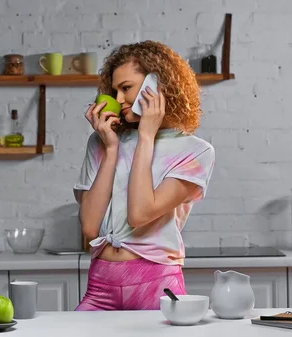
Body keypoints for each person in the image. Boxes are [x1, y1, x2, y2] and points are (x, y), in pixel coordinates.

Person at [73, 40, 215, 311]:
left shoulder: (196, 151)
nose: (118, 100)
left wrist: (147, 137)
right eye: (114, 91)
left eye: (126, 88)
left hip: (156, 285)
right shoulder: (102, 141)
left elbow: (139, 214)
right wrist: (111, 148)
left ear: (156, 86)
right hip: (100, 285)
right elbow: (90, 227)